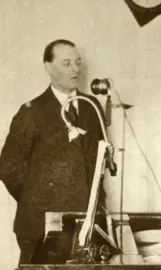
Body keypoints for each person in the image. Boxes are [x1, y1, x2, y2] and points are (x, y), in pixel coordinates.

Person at [0, 39, 104, 265]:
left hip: (86, 226)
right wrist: (37, 198)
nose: (76, 69)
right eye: (66, 63)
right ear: (48, 68)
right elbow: (8, 169)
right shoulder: (31, 112)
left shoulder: (92, 107)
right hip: (41, 228)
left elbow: (98, 165)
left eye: (78, 62)